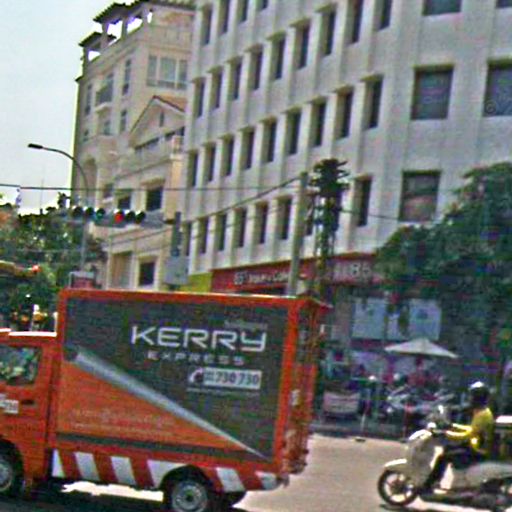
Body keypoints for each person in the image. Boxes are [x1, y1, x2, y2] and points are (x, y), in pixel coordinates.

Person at [423, 381, 495, 492]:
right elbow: (472, 430)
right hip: (476, 446)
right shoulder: (483, 412)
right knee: (448, 448)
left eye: (471, 396)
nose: (469, 399)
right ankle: (456, 479)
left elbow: (468, 435)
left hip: (478, 451)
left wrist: (445, 434)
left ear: (477, 397)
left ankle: (429, 485)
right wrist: (452, 426)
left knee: (443, 457)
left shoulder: (483, 414)